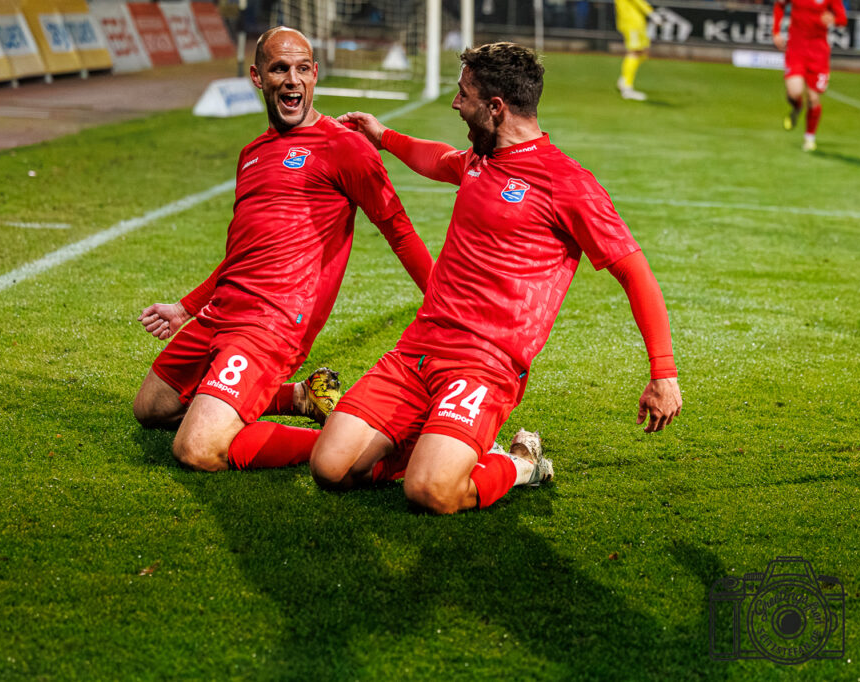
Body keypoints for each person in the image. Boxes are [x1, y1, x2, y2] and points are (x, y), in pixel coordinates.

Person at [310, 43, 683, 515]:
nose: (455, 104)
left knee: (429, 492)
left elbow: (634, 271)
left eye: (464, 95)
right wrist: (382, 136)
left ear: (496, 107)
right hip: (418, 350)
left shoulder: (567, 182)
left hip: (484, 365)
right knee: (331, 468)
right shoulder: (478, 160)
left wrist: (663, 374)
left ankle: (521, 463)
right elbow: (438, 158)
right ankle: (437, 438)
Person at [132, 26, 433, 472]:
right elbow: (243, 255)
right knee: (152, 408)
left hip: (270, 323)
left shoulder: (344, 147)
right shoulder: (252, 153)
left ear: (315, 75)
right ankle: (299, 396)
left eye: (302, 69)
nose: (292, 80)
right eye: (279, 69)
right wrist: (186, 308)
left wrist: (444, 305)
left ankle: (347, 448)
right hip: (221, 312)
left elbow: (400, 232)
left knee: (196, 449)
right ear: (258, 77)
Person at [772, 0, 847, 151]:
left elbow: (842, 19)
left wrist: (833, 19)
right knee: (794, 92)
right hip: (796, 49)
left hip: (818, 53)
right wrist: (776, 32)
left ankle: (809, 138)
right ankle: (797, 106)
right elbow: (780, 4)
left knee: (813, 98)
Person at [614, 0, 658, 101]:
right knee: (635, 52)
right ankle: (627, 89)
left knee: (644, 53)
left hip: (637, 21)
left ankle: (624, 80)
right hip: (631, 22)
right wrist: (651, 13)